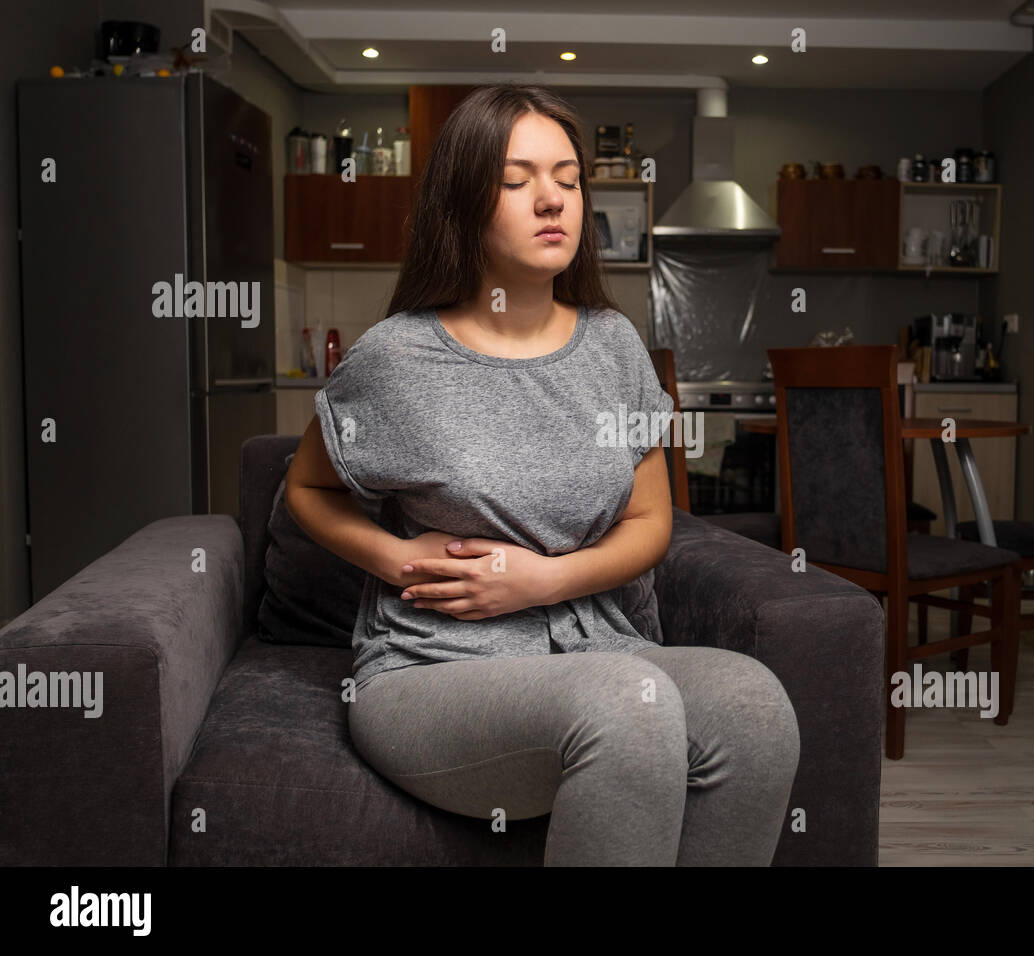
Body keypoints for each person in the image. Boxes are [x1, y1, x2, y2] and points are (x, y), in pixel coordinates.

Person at [285, 84, 800, 866]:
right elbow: (307, 488)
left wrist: (543, 583)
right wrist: (398, 560)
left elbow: (650, 523)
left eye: (567, 176)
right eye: (518, 180)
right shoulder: (396, 358)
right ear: (464, 202)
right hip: (434, 671)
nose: (552, 198)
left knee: (754, 708)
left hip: (602, 651)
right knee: (628, 705)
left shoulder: (614, 347)